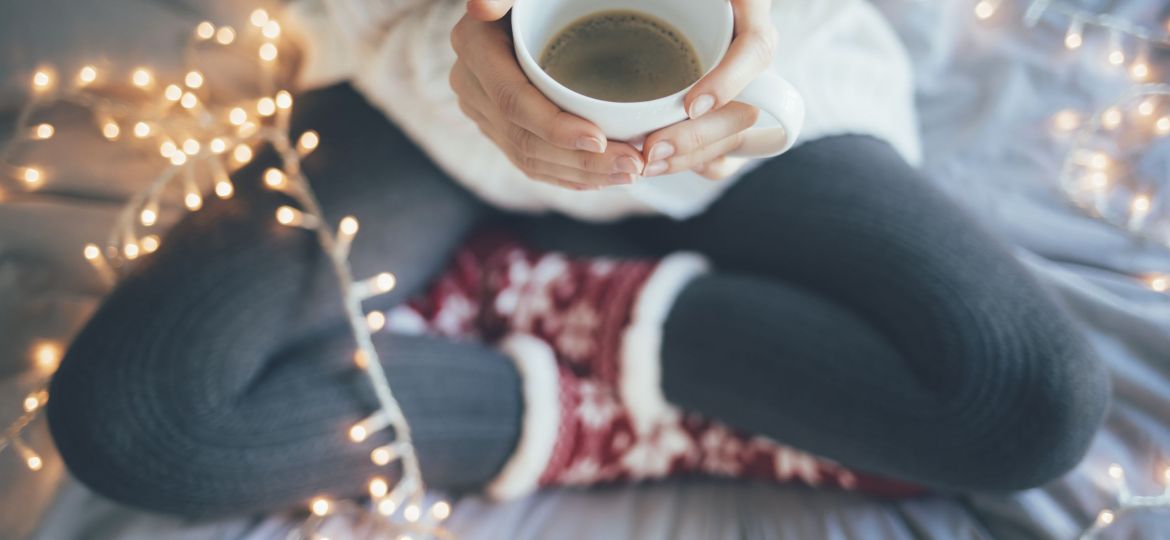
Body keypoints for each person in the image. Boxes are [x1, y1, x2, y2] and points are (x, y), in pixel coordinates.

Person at [47, 0, 1109, 518]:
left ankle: (568, 304)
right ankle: (600, 335)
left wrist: (758, 22)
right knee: (135, 420)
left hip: (756, 103)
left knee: (1027, 403)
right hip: (413, 90)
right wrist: (451, 39)